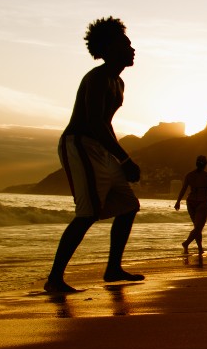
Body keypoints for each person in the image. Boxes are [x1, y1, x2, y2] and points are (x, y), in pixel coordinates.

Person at [45, 16, 144, 293]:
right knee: (87, 213)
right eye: (126, 44)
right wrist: (124, 159)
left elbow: (107, 125)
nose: (132, 49)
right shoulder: (98, 78)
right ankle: (54, 279)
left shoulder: (118, 84)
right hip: (79, 144)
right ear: (110, 48)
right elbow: (94, 122)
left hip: (100, 147)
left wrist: (119, 159)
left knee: (128, 206)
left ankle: (113, 268)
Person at [175, 155, 207, 254]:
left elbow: (183, 189)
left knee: (197, 227)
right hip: (202, 202)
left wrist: (178, 201)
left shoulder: (189, 175)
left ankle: (200, 248)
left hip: (190, 202)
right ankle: (186, 243)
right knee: (198, 227)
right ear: (205, 165)